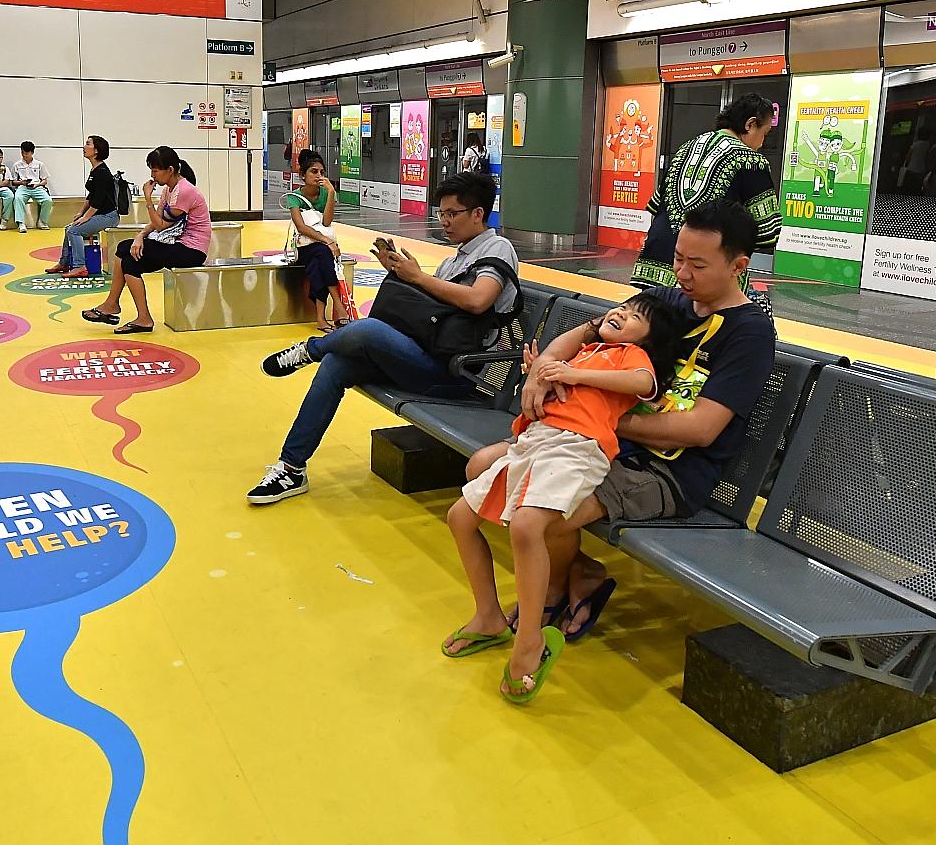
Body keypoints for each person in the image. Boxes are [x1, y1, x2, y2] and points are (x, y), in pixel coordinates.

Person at [465, 201, 776, 640]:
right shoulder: (669, 301)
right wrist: (541, 371)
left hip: (665, 470)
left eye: (698, 265)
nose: (682, 274)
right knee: (482, 466)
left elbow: (700, 429)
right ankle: (580, 571)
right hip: (595, 444)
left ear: (738, 266)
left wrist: (595, 417)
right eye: (678, 259)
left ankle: (557, 585)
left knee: (540, 514)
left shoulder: (749, 334)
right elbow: (593, 331)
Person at [443, 291, 684, 703]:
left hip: (578, 448)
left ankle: (530, 642)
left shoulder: (627, 357)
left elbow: (643, 383)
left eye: (633, 317)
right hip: (535, 442)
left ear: (648, 341)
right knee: (459, 517)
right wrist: (545, 374)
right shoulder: (589, 350)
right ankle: (488, 616)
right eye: (620, 307)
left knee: (527, 525)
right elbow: (551, 380)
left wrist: (574, 376)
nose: (620, 314)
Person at [248, 171, 520, 505]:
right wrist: (404, 275)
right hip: (426, 355)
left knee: (368, 330)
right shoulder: (455, 259)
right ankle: (291, 467)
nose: (445, 221)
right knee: (338, 363)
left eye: (452, 214)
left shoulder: (498, 249)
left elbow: (478, 300)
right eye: (442, 213)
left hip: (456, 372)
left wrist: (419, 277)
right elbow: (435, 312)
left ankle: (309, 350)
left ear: (478, 213)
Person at [632, 94, 781, 291]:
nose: (762, 143)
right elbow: (767, 232)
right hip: (703, 273)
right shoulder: (751, 161)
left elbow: (656, 205)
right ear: (750, 124)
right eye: (765, 133)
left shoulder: (686, 148)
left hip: (654, 264)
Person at [82, 146, 208, 334]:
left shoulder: (184, 191)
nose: (153, 175)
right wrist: (140, 236)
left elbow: (160, 225)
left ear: (170, 170)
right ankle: (135, 315)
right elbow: (155, 222)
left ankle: (116, 306)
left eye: (155, 170)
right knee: (129, 259)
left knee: (125, 249)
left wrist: (148, 198)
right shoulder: (169, 190)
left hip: (191, 250)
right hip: (174, 243)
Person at [285, 149, 351, 331]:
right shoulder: (294, 197)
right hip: (304, 246)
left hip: (320, 250)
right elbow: (301, 227)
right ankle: (338, 304)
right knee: (322, 253)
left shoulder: (325, 193)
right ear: (303, 175)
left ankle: (321, 319)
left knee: (317, 266)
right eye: (313, 171)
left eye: (322, 172)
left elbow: (327, 221)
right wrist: (327, 241)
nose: (319, 176)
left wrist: (330, 193)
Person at [45, 135, 118, 278]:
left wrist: (86, 218)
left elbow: (97, 201)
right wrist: (81, 213)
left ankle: (80, 266)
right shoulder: (95, 170)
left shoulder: (102, 172)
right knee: (69, 228)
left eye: (88, 144)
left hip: (109, 216)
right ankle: (64, 262)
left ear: (96, 150)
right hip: (99, 214)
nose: (84, 147)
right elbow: (91, 196)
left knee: (74, 231)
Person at [9, 141, 52, 233]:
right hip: (23, 187)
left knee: (48, 200)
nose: (24, 155)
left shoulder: (39, 164)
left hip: (37, 187)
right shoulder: (17, 165)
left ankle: (42, 221)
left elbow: (45, 181)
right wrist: (22, 182)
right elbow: (13, 182)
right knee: (18, 198)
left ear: (32, 152)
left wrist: (38, 184)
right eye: (22, 152)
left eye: (27, 153)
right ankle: (21, 223)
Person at [899, 125, 933, 194]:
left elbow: (908, 156)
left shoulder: (915, 144)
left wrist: (905, 164)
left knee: (907, 188)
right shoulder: (928, 145)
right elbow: (928, 157)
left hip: (911, 168)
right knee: (916, 189)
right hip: (921, 170)